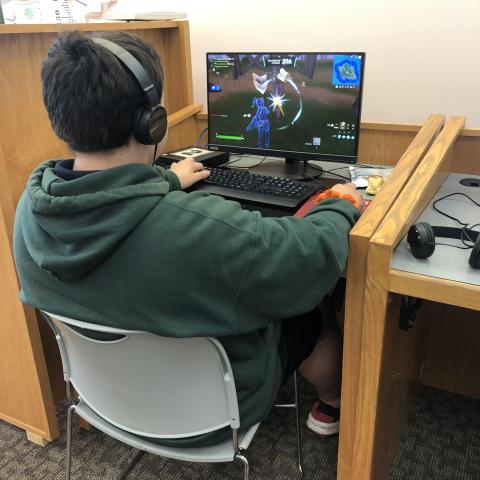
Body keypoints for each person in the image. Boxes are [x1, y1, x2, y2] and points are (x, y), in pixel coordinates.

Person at [13, 30, 363, 447]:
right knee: (315, 311)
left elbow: (113, 197)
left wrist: (163, 179)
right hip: (215, 419)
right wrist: (340, 204)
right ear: (152, 122)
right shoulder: (203, 233)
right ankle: (334, 402)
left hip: (104, 402)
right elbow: (310, 257)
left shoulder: (31, 211)